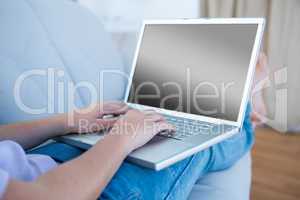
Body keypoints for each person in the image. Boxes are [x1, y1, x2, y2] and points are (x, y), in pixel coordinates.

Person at [0, 101, 253, 200]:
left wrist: (67, 122)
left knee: (157, 120)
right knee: (198, 145)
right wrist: (123, 137)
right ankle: (249, 115)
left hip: (46, 160)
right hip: (83, 192)